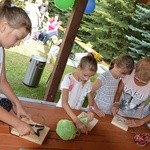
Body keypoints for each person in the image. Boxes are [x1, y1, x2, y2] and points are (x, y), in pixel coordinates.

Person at [0, 2, 34, 136]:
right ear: (3, 27)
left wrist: (17, 104)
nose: (18, 44)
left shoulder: (1, 49)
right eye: (17, 38)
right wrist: (18, 124)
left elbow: (2, 80)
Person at [56, 54, 98, 134]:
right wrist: (77, 121)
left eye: (90, 77)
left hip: (75, 113)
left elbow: (90, 98)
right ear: (79, 67)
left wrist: (90, 110)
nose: (87, 78)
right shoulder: (68, 78)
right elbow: (64, 102)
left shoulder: (87, 82)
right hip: (62, 110)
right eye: (85, 75)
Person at [112, 58, 150, 127]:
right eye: (137, 78)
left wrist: (141, 121)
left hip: (135, 119)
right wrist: (116, 103)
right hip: (117, 112)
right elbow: (118, 92)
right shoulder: (129, 74)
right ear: (135, 71)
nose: (139, 82)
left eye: (144, 82)